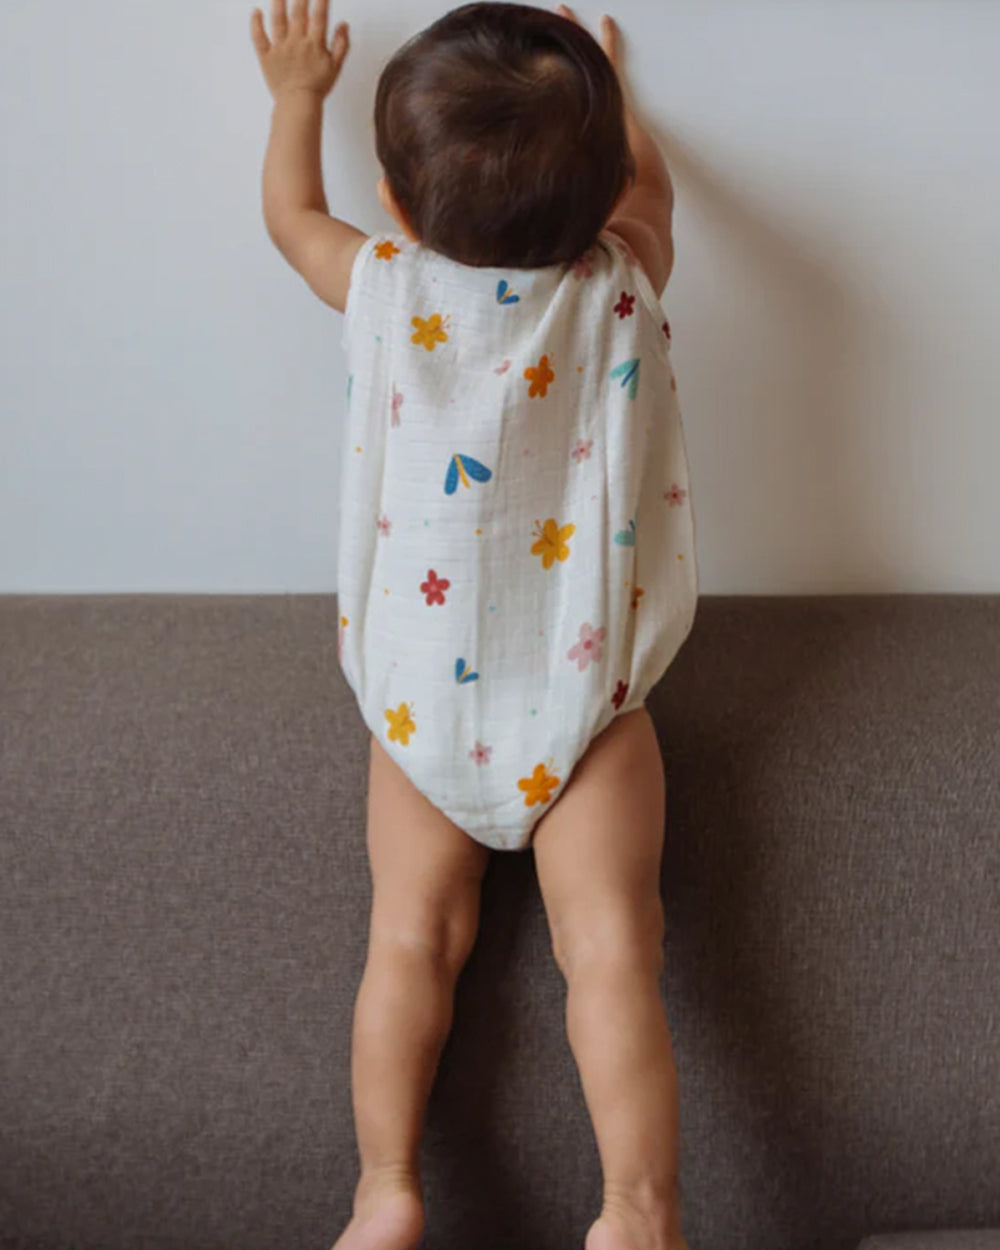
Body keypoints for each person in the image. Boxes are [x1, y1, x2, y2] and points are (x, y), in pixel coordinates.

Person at [251, 3, 698, 1247]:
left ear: (396, 203)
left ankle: (386, 1186)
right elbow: (654, 195)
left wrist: (297, 98)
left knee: (407, 939)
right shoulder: (620, 284)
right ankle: (637, 1211)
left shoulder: (383, 287)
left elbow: (291, 219)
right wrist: (614, 94)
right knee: (610, 950)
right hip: (586, 706)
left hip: (419, 705)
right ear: (598, 190)